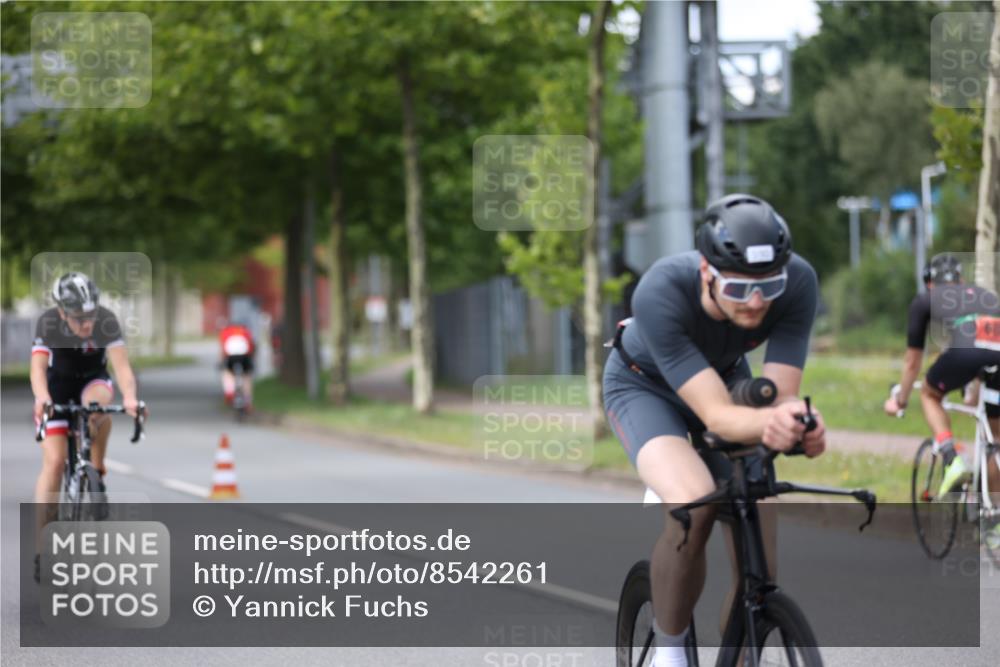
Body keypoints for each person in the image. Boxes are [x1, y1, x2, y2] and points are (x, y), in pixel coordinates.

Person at [603, 194, 826, 667]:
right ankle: (669, 651)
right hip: (644, 386)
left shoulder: (799, 282)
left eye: (769, 287)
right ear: (707, 272)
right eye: (740, 290)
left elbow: (777, 396)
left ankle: (742, 650)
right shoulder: (661, 290)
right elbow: (720, 418)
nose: (758, 302)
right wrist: (773, 421)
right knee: (695, 502)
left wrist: (800, 424)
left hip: (726, 378)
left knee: (758, 548)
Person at [31, 272, 142, 579]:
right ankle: (42, 549)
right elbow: (37, 370)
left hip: (93, 380)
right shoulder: (48, 324)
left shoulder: (106, 321)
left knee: (98, 406)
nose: (87, 324)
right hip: (56, 388)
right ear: (62, 313)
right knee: (54, 463)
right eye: (79, 318)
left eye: (91, 315)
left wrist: (131, 398)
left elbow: (121, 368)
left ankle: (98, 468)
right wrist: (42, 398)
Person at [883, 252, 1000, 499]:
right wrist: (974, 389)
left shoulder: (925, 300)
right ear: (961, 279)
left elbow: (912, 362)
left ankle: (950, 457)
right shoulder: (984, 294)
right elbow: (987, 343)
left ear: (929, 283)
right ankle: (993, 527)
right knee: (995, 440)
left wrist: (900, 399)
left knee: (929, 393)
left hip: (965, 353)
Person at [218, 318, 255, 410]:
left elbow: (223, 349)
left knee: (227, 373)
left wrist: (221, 362)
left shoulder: (226, 332)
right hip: (244, 356)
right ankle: (247, 400)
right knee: (247, 377)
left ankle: (229, 391)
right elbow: (251, 346)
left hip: (231, 356)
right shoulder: (245, 331)